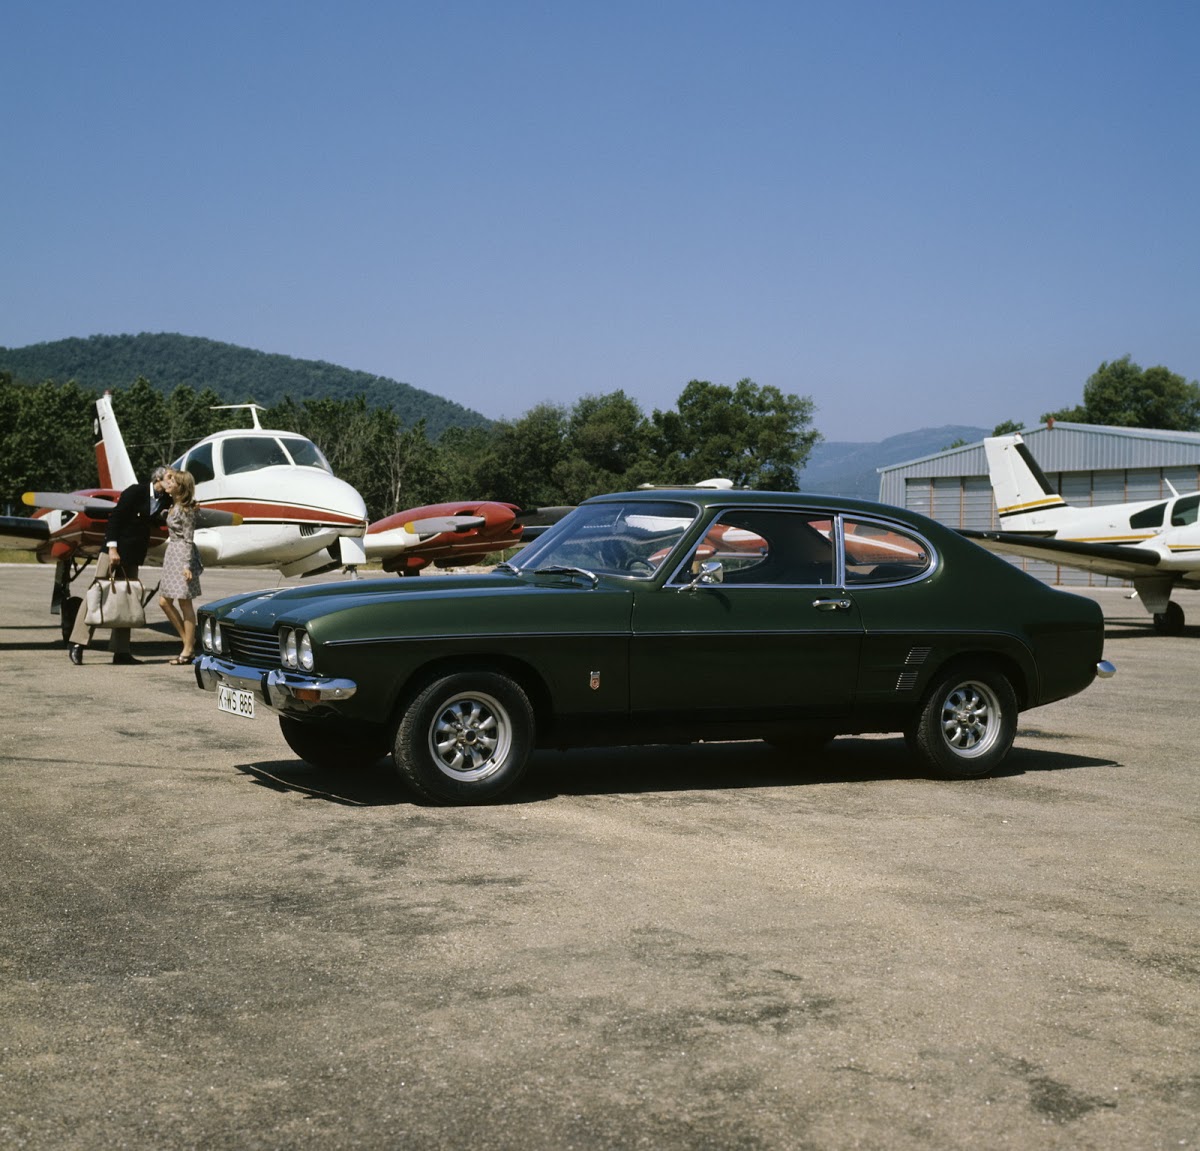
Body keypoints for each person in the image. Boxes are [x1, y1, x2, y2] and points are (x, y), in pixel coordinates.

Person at [69, 466, 168, 666]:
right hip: (114, 550)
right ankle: (78, 643)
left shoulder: (165, 498)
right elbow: (115, 519)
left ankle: (121, 651)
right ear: (158, 478)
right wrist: (112, 549)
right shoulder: (135, 491)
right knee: (96, 593)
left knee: (127, 599)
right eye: (170, 478)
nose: (172, 482)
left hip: (134, 554)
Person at [157, 468, 204, 665]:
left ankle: (187, 648)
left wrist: (187, 566)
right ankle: (188, 644)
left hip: (182, 556)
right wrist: (170, 475)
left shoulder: (186, 511)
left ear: (181, 487)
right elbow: (164, 480)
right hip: (172, 556)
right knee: (164, 602)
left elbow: (188, 539)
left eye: (172, 481)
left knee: (185, 603)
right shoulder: (175, 505)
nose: (167, 483)